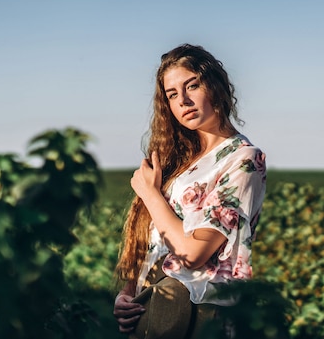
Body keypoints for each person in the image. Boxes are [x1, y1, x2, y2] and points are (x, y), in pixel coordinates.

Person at [113, 44, 267, 338]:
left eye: (192, 86)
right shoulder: (180, 160)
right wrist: (127, 293)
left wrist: (150, 194)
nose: (183, 100)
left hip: (200, 317)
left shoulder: (243, 159)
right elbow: (155, 237)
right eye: (172, 94)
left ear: (216, 86)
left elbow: (193, 253)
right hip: (154, 307)